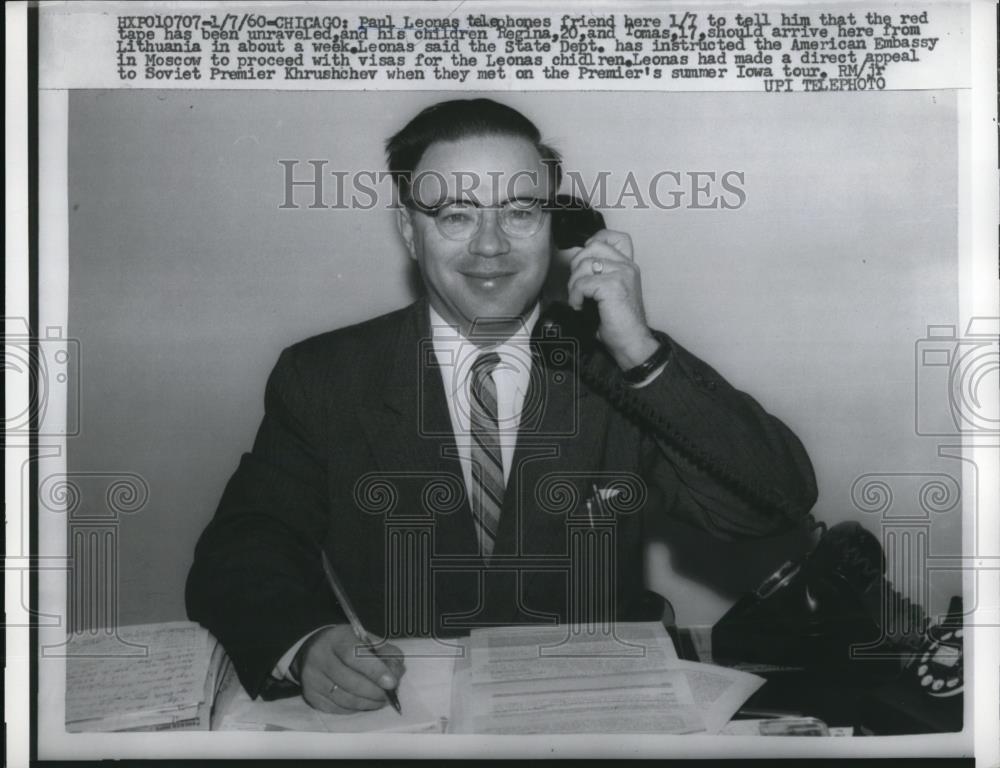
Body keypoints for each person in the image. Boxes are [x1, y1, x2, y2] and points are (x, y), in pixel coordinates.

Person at [186, 98, 818, 715]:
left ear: (558, 226)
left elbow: (770, 505)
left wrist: (639, 351)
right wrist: (305, 644)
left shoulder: (618, 371)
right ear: (410, 230)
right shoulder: (324, 376)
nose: (491, 247)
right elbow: (246, 542)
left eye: (519, 212)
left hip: (600, 707)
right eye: (456, 215)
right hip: (407, 707)